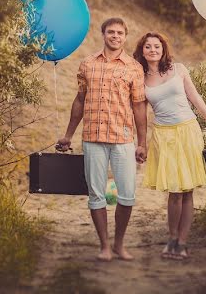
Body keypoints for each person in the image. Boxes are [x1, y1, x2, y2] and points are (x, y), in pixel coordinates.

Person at [56, 17, 147, 262]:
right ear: (103, 34)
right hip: (93, 138)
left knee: (127, 195)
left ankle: (119, 243)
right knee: (96, 194)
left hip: (123, 138)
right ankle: (104, 246)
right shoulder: (87, 64)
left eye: (119, 33)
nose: (115, 36)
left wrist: (142, 142)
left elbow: (139, 106)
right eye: (111, 32)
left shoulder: (134, 67)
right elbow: (79, 100)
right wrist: (68, 135)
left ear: (125, 37)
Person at [133, 31, 206, 260]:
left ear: (163, 49)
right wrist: (142, 143)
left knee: (187, 191)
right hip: (164, 137)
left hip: (188, 131)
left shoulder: (179, 69)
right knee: (174, 192)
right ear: (142, 51)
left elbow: (196, 99)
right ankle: (172, 239)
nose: (153, 50)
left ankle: (182, 243)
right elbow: (141, 115)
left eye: (157, 46)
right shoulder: (141, 79)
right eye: (148, 47)